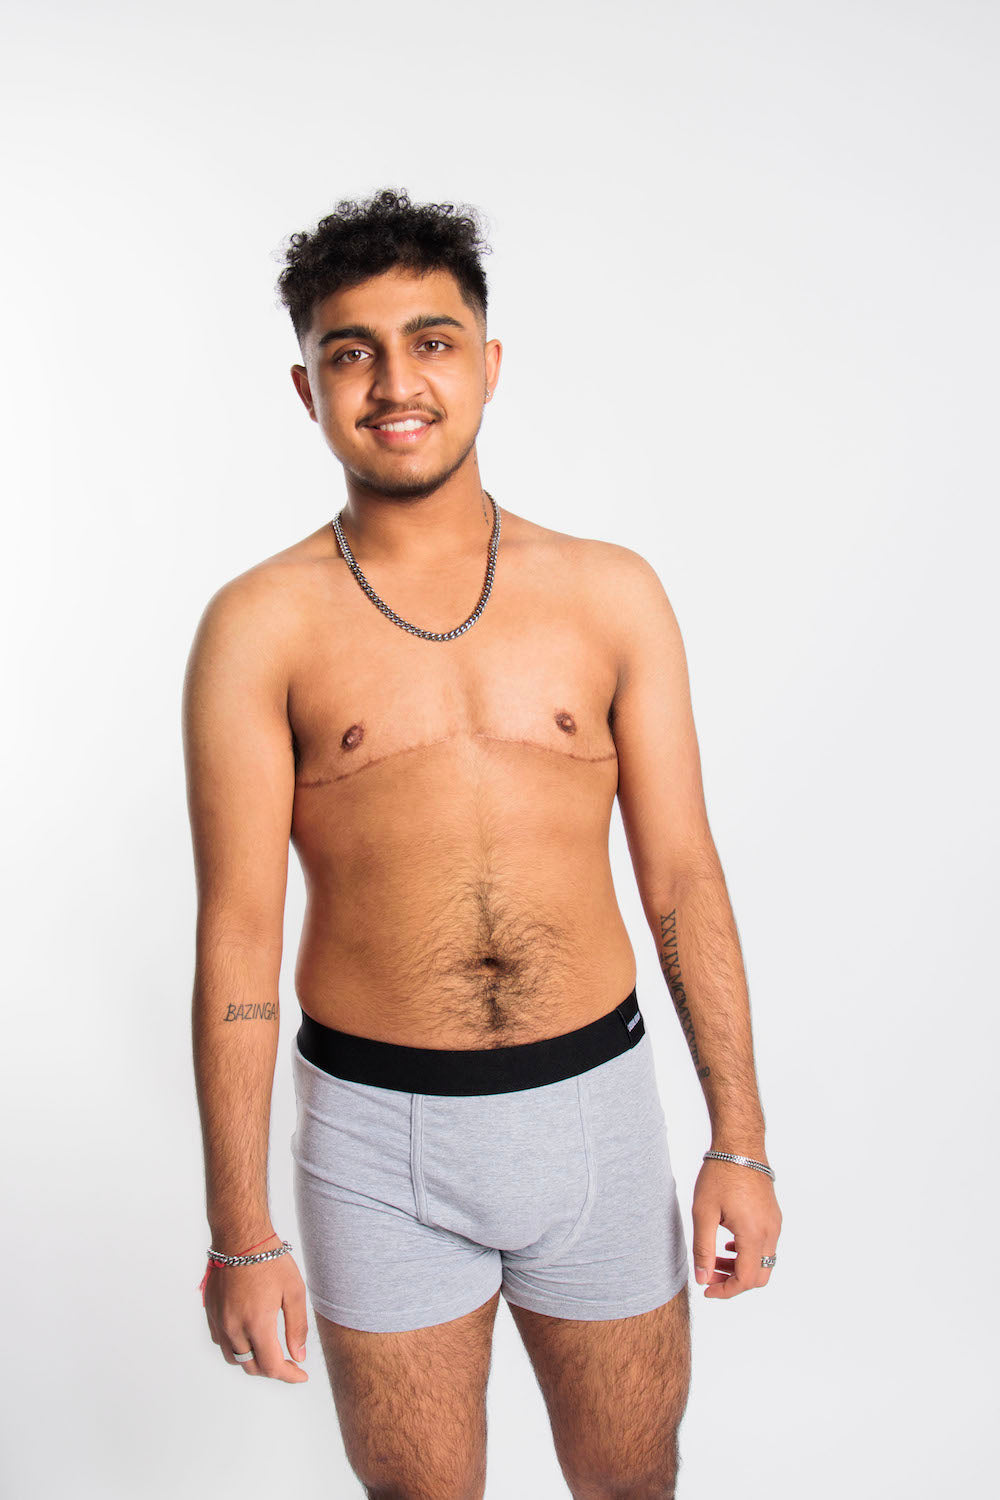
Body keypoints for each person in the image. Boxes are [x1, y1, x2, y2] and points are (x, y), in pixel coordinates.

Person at [183, 186, 782, 1499]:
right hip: (372, 1143)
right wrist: (240, 1231)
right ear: (308, 389)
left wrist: (738, 1142)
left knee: (632, 1486)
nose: (396, 382)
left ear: (489, 365)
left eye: (432, 340)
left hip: (596, 1122)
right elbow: (237, 937)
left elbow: (682, 879)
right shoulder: (258, 628)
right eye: (353, 352)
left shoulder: (610, 593)